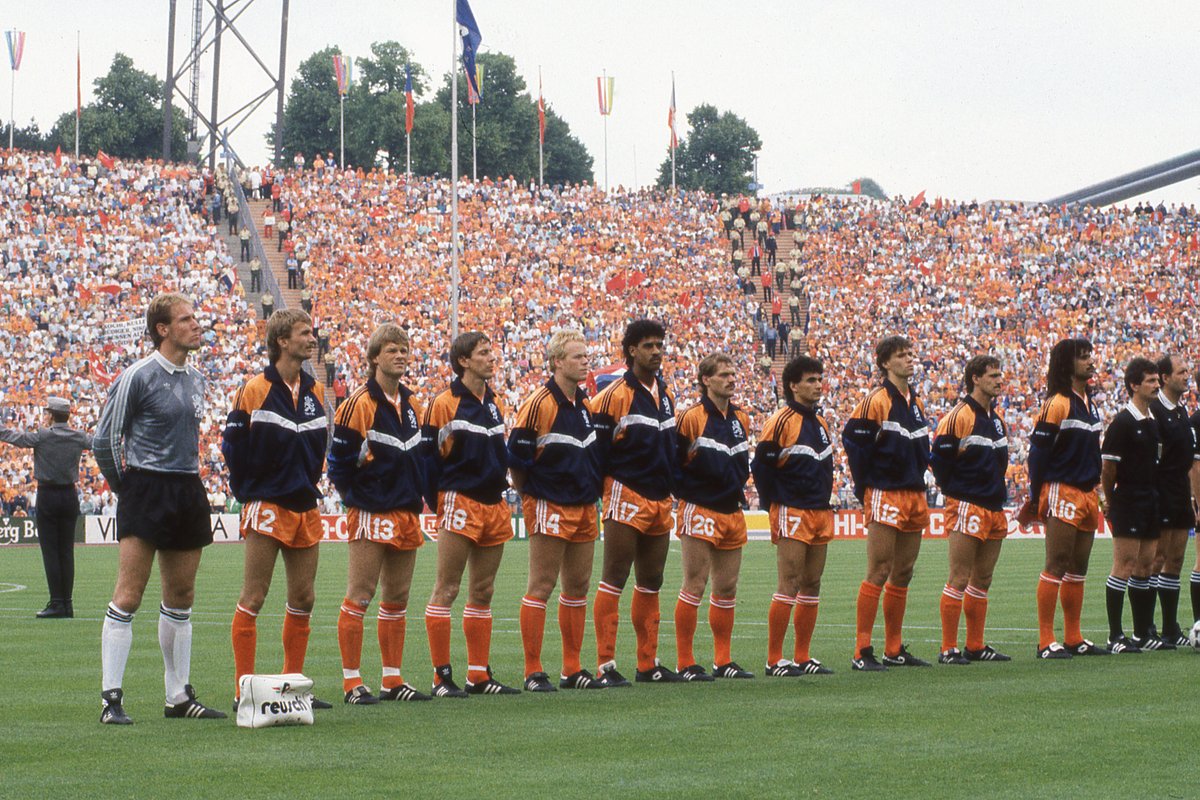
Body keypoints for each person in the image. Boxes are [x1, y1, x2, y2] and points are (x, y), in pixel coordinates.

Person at [94, 293, 226, 724]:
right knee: (129, 595)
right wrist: (128, 489)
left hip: (187, 486)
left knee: (182, 597)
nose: (196, 324)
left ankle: (178, 696)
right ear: (164, 329)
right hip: (146, 485)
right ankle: (110, 698)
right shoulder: (138, 375)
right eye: (186, 319)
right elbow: (104, 440)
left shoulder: (198, 379)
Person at [224, 309, 331, 705]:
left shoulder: (315, 391)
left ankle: (293, 686)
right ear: (282, 341)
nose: (312, 338)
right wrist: (251, 490)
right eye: (304, 333)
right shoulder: (254, 389)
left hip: (305, 504)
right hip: (267, 503)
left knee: (304, 598)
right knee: (254, 595)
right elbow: (233, 448)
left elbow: (318, 446)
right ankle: (243, 689)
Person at [328, 324, 431, 704]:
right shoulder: (358, 403)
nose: (401, 355)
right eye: (392, 350)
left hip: (406, 509)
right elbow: (338, 463)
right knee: (361, 594)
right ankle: (352, 682)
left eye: (404, 349)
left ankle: (392, 679)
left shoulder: (412, 403)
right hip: (371, 509)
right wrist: (359, 497)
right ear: (374, 358)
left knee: (398, 597)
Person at [421, 332, 519, 697]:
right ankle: (441, 676)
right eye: (483, 353)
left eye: (491, 351)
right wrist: (442, 501)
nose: (491, 358)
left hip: (494, 503)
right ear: (464, 361)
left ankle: (478, 674)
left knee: (484, 589)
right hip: (460, 500)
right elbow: (428, 461)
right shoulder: (444, 403)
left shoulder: (493, 403)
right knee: (447, 588)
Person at [508, 329, 606, 692]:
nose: (585, 362)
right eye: (578, 357)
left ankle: (572, 668)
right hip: (549, 503)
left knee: (578, 586)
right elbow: (517, 461)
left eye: (586, 356)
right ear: (557, 362)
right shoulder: (538, 403)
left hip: (584, 505)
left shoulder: (585, 405)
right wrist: (532, 497)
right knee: (542, 585)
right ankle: (533, 670)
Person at [589, 319, 679, 685]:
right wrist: (605, 491)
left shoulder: (665, 394)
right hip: (625, 493)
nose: (656, 351)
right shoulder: (612, 395)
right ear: (630, 351)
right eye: (648, 346)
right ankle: (605, 664)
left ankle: (647, 663)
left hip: (660, 497)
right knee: (614, 577)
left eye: (659, 345)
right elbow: (598, 452)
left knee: (652, 580)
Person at [842, 335, 932, 671]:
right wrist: (866, 484)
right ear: (885, 363)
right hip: (885, 491)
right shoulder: (876, 400)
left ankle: (894, 648)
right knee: (879, 570)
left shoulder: (915, 403)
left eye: (911, 353)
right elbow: (853, 441)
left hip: (913, 492)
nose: (909, 359)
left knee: (903, 572)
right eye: (901, 355)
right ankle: (861, 650)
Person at [1018, 338, 1108, 659]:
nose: (1090, 361)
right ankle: (1045, 640)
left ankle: (1074, 637)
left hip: (1086, 493)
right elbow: (1038, 455)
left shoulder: (1090, 404)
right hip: (1061, 489)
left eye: (1089, 356)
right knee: (1056, 563)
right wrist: (1035, 495)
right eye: (1083, 358)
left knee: (1078, 567)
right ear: (1066, 364)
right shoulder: (1056, 403)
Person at [671, 353, 754, 681]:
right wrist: (688, 494)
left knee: (727, 587)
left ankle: (723, 660)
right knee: (695, 583)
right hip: (700, 507)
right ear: (706, 380)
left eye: (733, 373)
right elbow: (673, 463)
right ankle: (685, 661)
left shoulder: (741, 418)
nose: (731, 379)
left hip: (731, 509)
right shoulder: (690, 417)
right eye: (724, 375)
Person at [752, 355, 835, 676]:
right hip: (792, 510)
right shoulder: (781, 421)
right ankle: (775, 659)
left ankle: (802, 656)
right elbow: (761, 467)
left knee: (812, 583)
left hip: (819, 511)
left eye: (819, 379)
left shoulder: (821, 424)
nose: (817, 385)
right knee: (790, 582)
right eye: (811, 380)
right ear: (793, 386)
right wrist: (775, 502)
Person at [929, 356, 1012, 665]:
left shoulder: (997, 419)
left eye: (999, 375)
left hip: (994, 505)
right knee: (959, 576)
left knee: (983, 578)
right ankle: (948, 648)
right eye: (993, 375)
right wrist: (956, 491)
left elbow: (1000, 463)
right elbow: (939, 460)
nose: (999, 381)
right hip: (967, 503)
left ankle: (975, 645)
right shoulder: (958, 416)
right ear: (975, 379)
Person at [0, 397, 92, 618]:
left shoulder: (42, 435)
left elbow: (14, 438)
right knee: (66, 551)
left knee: (51, 552)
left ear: (51, 415)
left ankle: (56, 602)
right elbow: (100, 442)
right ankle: (67, 604)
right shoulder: (78, 436)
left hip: (48, 495)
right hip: (70, 494)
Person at [1100, 358, 1164, 652]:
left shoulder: (1152, 422)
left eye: (1156, 380)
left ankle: (1142, 633)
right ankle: (1115, 636)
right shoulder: (1122, 423)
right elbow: (1108, 469)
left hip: (1151, 498)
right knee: (1124, 565)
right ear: (1134, 385)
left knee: (1146, 566)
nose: (1156, 385)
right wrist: (1111, 501)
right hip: (1129, 499)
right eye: (1150, 381)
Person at [1148, 355, 1200, 647]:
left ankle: (1170, 628)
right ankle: (1148, 627)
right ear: (1165, 378)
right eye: (1181, 372)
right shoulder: (1155, 411)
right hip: (1162, 492)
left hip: (1180, 493)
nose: (1186, 376)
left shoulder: (1181, 412)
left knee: (1176, 560)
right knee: (1156, 559)